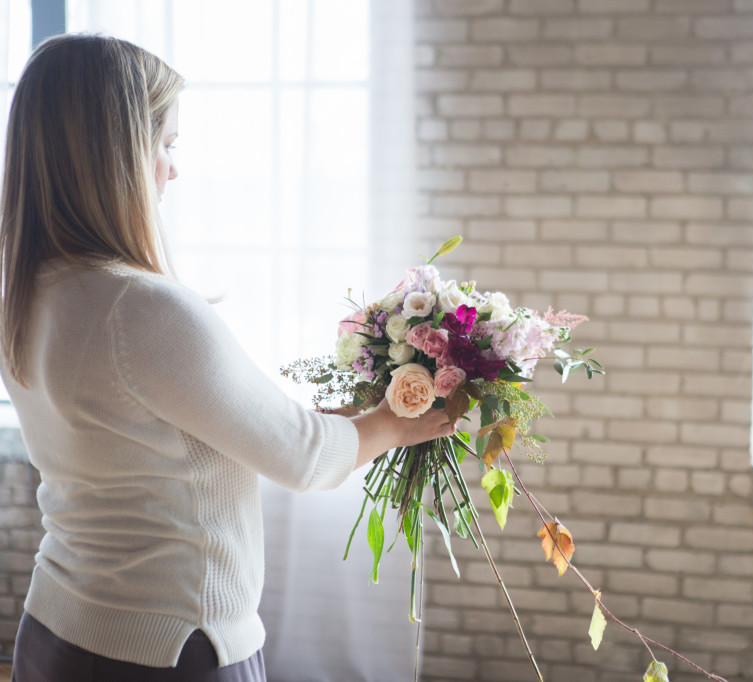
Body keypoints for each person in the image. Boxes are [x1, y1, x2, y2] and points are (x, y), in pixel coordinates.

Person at [0, 33, 454, 682]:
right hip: (167, 648)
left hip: (55, 630)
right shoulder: (140, 309)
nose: (173, 169)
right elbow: (303, 458)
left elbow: (146, 432)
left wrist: (343, 422)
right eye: (166, 145)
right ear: (115, 156)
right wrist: (396, 422)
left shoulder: (28, 288)